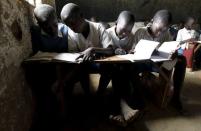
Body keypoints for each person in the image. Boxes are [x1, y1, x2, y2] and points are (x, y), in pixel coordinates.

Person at [130, 10, 186, 112]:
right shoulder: (140, 32)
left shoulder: (166, 33)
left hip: (159, 63)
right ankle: (137, 95)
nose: (160, 33)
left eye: (163, 30)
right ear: (152, 21)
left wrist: (174, 53)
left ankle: (176, 96)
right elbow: (132, 51)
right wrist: (136, 51)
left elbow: (170, 47)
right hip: (142, 63)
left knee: (182, 60)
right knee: (130, 67)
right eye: (158, 29)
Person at [100, 11, 140, 126]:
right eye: (123, 30)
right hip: (107, 66)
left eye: (128, 31)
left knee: (125, 72)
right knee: (117, 72)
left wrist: (131, 52)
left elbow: (130, 52)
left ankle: (117, 111)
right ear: (116, 23)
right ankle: (123, 108)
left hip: (123, 67)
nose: (125, 34)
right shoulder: (106, 33)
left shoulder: (131, 37)